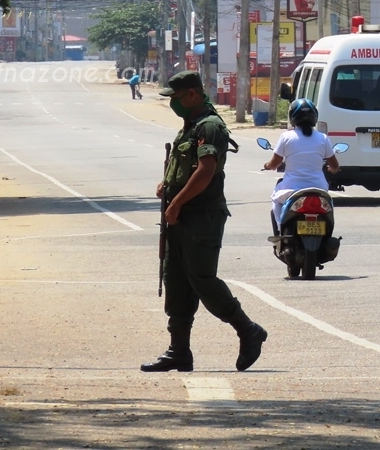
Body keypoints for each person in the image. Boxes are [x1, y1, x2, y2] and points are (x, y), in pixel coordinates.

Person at [141, 71, 268, 373]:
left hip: (201, 217)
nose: (172, 103)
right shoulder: (191, 126)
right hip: (180, 215)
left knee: (202, 279)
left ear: (192, 95)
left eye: (175, 97)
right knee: (176, 279)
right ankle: (179, 352)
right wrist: (167, 184)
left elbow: (206, 171)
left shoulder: (210, 126)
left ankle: (248, 330)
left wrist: (178, 202)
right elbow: (185, 166)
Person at [263, 98, 340, 223]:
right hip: (319, 189)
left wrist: (267, 165)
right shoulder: (323, 138)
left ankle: (280, 229)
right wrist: (332, 169)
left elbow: (275, 163)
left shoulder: (286, 137)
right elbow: (335, 166)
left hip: (291, 189)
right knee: (328, 207)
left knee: (276, 201)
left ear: (293, 117)